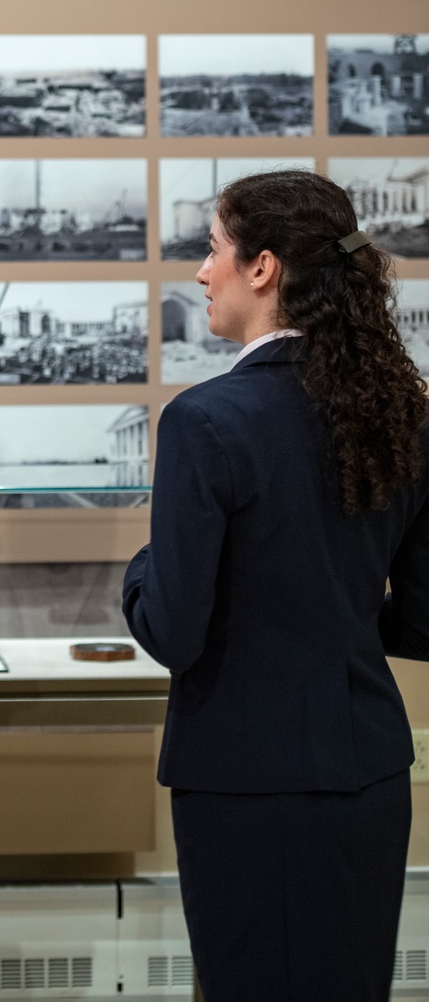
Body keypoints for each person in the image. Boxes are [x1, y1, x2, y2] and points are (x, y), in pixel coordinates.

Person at [123, 169, 429, 1001]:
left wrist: (137, 573)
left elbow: (174, 629)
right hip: (368, 774)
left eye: (212, 248)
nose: (200, 271)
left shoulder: (206, 420)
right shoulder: (402, 408)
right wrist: (342, 617)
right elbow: (427, 621)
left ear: (262, 268)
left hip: (245, 784)